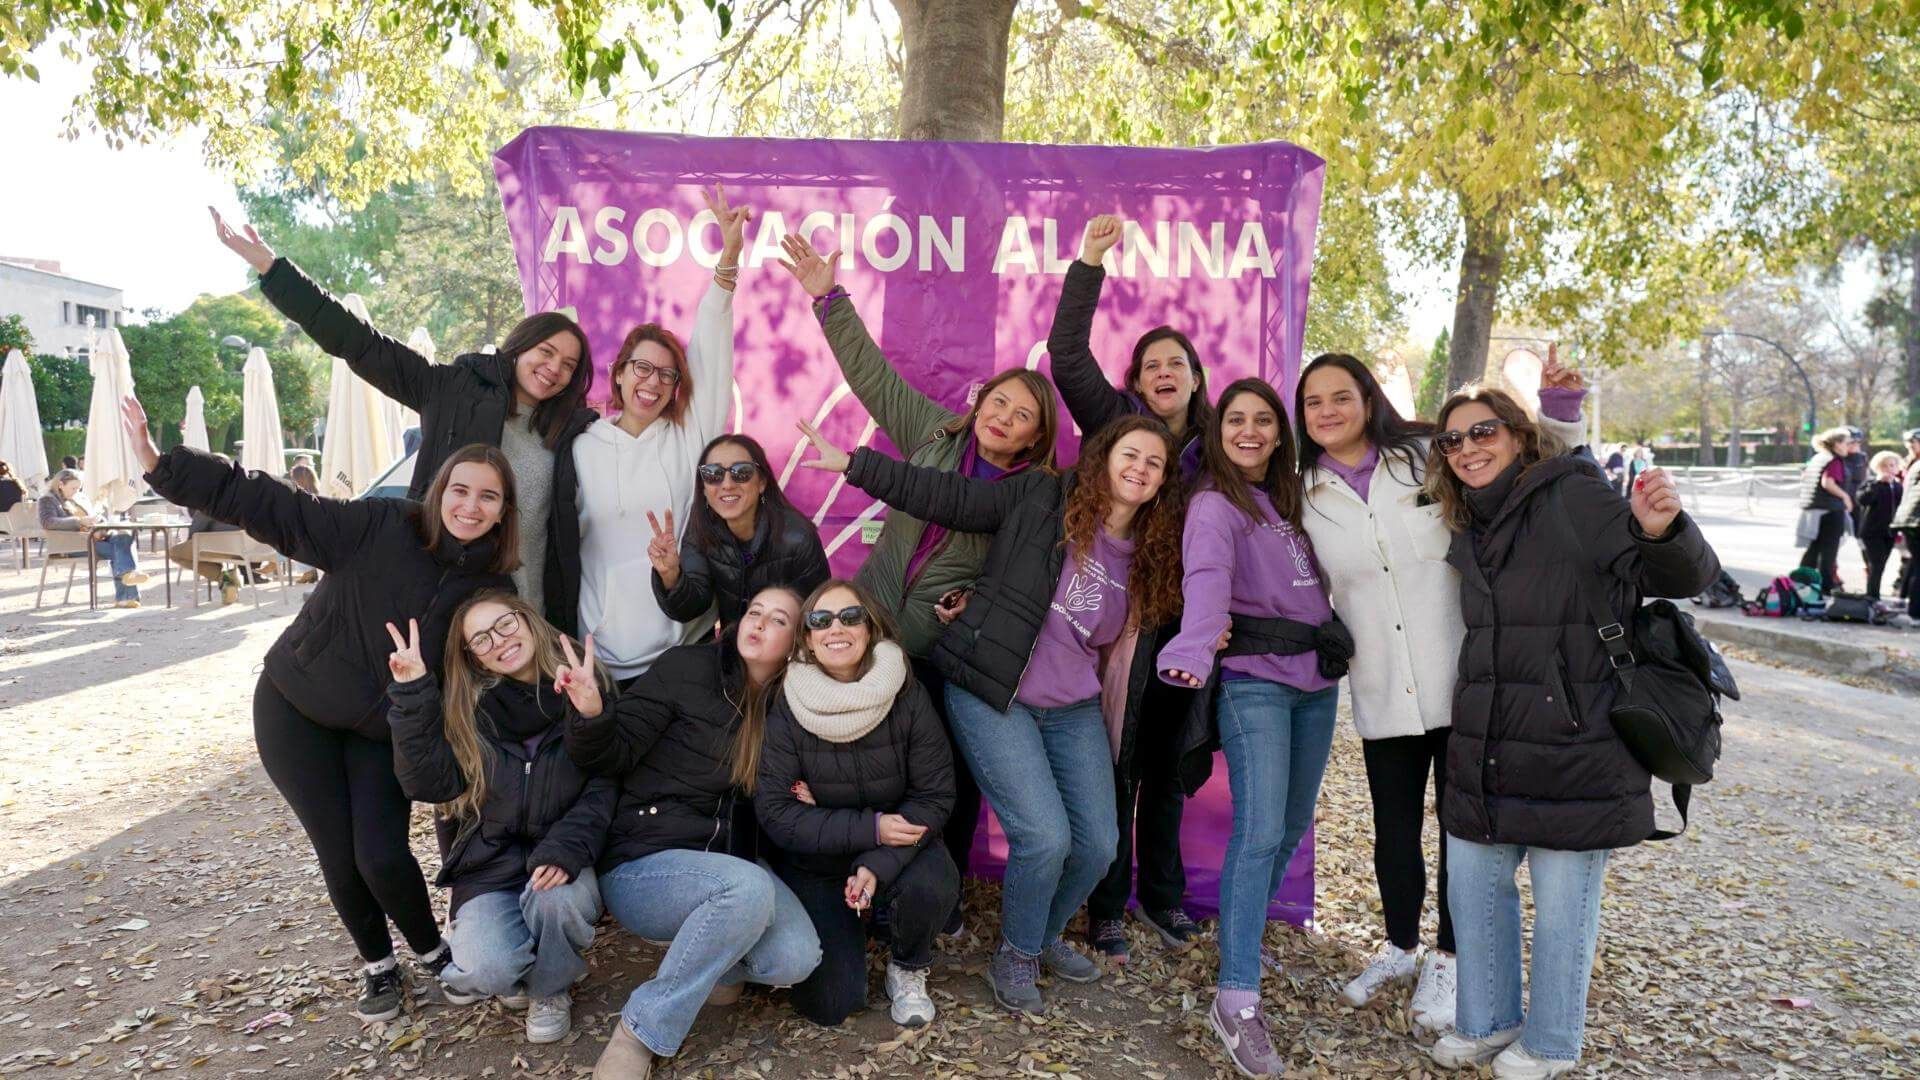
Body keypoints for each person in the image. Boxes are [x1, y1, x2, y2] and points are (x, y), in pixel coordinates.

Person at [123, 395, 519, 1022]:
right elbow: (278, 506)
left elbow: (507, 663)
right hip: (294, 707)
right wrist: (165, 466)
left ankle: (433, 952)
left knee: (382, 853)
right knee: (337, 852)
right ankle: (378, 966)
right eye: (461, 490)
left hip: (380, 729)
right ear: (440, 490)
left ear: (504, 512)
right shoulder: (383, 526)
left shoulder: (494, 587)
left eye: (489, 497)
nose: (471, 506)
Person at [796, 412, 1185, 1014]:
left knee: (1099, 844)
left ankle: (1041, 935)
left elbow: (1186, 606)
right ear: (1105, 457)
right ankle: (1017, 953)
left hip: (1072, 704)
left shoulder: (1152, 553)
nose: (1139, 469)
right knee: (1043, 836)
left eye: (1154, 463)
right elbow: (949, 496)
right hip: (993, 689)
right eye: (1130, 454)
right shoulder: (1042, 498)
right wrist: (856, 464)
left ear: (1162, 481)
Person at [1420, 386, 1719, 1079]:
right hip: (1488, 744)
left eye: (1483, 431)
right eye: (1452, 440)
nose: (1467, 448)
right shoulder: (1468, 521)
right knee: (1474, 890)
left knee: (1562, 912)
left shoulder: (1573, 495)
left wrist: (1658, 529)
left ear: (1520, 436)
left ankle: (1553, 1043)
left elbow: (1680, 574)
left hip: (1576, 745)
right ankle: (1486, 1020)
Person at [1294, 350, 1589, 1029]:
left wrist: (1562, 414)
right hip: (1379, 687)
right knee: (1393, 830)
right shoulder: (1302, 491)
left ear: (1368, 400)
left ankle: (1452, 961)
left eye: (1342, 395)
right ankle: (1399, 945)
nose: (1329, 411)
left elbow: (1533, 473)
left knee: (1464, 831)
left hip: (1465, 680)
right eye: (1314, 402)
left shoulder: (1428, 454)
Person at [778, 232, 1060, 931]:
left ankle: (941, 894)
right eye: (1000, 402)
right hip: (871, 630)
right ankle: (847, 883)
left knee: (946, 781)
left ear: (1032, 439)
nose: (1005, 417)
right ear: (980, 403)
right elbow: (872, 377)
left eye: (1023, 415)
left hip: (938, 648)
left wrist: (974, 601)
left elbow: (1024, 577)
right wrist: (826, 297)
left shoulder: (1034, 494)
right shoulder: (934, 436)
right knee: (847, 756)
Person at [211, 205, 599, 633]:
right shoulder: (450, 389)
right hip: (446, 597)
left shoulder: (568, 433)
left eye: (568, 364)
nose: (554, 368)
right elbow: (359, 342)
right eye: (546, 352)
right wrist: (273, 269)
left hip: (531, 612)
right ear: (520, 348)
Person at [1156, 378, 1347, 1078]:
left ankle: (1243, 933)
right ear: (1218, 430)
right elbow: (1204, 581)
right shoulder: (1214, 503)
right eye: (1236, 419)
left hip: (1316, 683)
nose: (1249, 430)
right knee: (1260, 829)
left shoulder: (1296, 496)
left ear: (1279, 431)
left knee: (1292, 827)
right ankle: (1236, 995)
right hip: (1255, 683)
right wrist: (1190, 650)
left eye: (1263, 420)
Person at [566, 586, 822, 1079]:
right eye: (755, 611)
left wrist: (815, 793)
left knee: (796, 959)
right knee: (746, 889)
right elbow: (612, 753)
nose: (760, 623)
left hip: (731, 861)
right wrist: (594, 714)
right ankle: (639, 1032)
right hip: (645, 860)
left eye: (779, 620)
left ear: (795, 644)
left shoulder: (794, 706)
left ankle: (714, 955)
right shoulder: (686, 668)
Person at [1048, 214, 1208, 961]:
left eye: (1177, 362)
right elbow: (1066, 354)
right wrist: (1089, 262)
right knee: (1117, 762)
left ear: (1196, 378)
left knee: (1171, 769)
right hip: (1123, 627)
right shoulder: (1116, 424)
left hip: (1196, 632)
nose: (1164, 372)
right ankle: (1103, 908)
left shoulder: (1221, 453)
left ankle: (1163, 900)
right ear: (1136, 383)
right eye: (1151, 365)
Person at [386, 592, 618, 1044]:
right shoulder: (466, 710)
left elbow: (607, 782)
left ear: (528, 620)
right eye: (481, 639)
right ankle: (511, 963)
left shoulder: (583, 683)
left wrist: (567, 848)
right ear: (473, 657)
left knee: (557, 900)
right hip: (489, 865)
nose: (499, 641)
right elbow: (428, 787)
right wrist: (413, 694)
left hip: (564, 853)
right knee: (485, 970)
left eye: (505, 624)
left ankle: (550, 988)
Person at [754, 579, 957, 1028]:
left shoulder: (905, 691)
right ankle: (856, 924)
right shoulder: (788, 703)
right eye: (820, 620)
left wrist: (880, 856)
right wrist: (872, 828)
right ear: (807, 637)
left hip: (900, 848)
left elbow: (935, 794)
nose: (836, 629)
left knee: (933, 883)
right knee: (832, 1005)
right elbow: (778, 814)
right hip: (818, 862)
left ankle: (906, 964)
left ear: (870, 628)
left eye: (850, 617)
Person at [574, 188, 752, 683]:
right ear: (618, 373)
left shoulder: (688, 439)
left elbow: (710, 342)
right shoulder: (580, 446)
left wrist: (728, 259)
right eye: (642, 369)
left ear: (677, 388)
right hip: (602, 652)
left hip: (683, 647)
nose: (652, 383)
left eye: (666, 375)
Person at [650, 434, 831, 632]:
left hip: (788, 651)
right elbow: (691, 608)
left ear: (762, 482)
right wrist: (671, 576)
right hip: (733, 648)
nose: (727, 484)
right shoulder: (701, 527)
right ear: (703, 487)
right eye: (713, 474)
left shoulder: (798, 537)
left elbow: (817, 616)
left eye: (741, 472)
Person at [37, 466, 149, 607]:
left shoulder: (78, 498)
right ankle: (126, 593)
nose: (77, 492)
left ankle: (127, 581)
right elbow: (48, 522)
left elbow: (94, 517)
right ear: (60, 485)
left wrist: (100, 526)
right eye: (73, 488)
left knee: (124, 536)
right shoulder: (47, 500)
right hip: (70, 544)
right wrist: (79, 521)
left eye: (78, 488)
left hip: (92, 539)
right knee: (121, 549)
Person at [1796, 427, 1856, 594]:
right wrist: (1845, 497)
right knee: (1829, 550)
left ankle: (1801, 581)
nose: (1849, 446)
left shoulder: (1819, 458)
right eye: (1846, 442)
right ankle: (1826, 585)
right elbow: (1828, 483)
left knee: (1814, 548)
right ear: (1836, 444)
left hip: (1815, 508)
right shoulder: (1834, 460)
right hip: (1830, 509)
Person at [1858, 451, 1903, 600]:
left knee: (1881, 565)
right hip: (1872, 531)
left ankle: (1873, 594)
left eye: (1893, 465)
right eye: (1885, 466)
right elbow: (1863, 499)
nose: (1889, 469)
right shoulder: (1871, 483)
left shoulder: (1898, 486)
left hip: (1889, 532)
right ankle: (1872, 596)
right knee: (1876, 564)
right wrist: (1877, 483)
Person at [1892, 430, 1920, 627]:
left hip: (1908, 519)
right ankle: (1916, 613)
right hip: (1916, 521)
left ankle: (1911, 607)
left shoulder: (1914, 464)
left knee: (1916, 564)